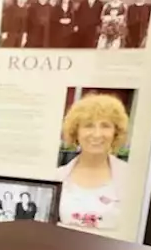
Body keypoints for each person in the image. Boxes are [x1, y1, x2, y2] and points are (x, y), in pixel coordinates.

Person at [56, 92, 130, 230]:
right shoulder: (57, 176)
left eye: (105, 126)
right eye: (88, 125)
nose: (97, 134)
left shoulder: (132, 178)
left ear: (116, 132)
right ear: (75, 132)